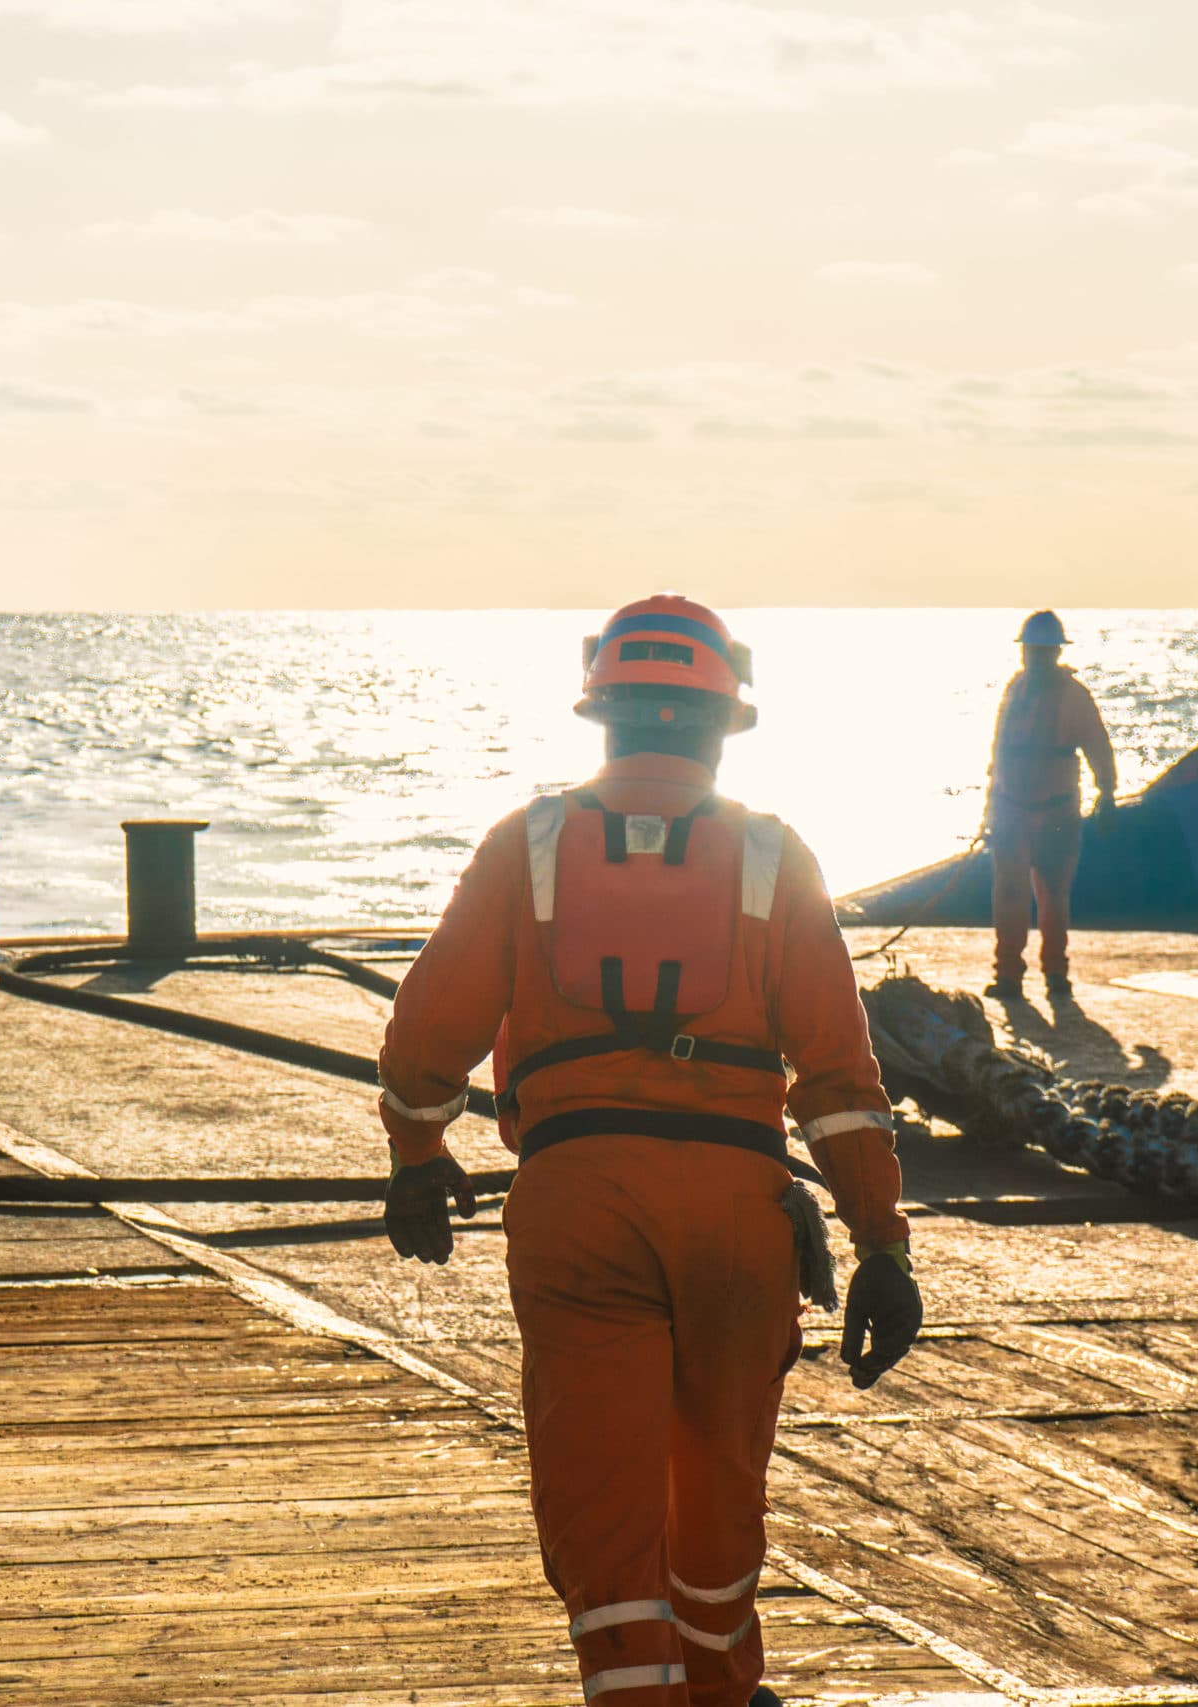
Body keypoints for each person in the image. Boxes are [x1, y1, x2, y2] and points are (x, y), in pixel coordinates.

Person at [375, 595, 920, 1707]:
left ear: (603, 715)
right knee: (720, 1483)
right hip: (741, 1213)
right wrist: (881, 1244)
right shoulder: (775, 856)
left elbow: (430, 1037)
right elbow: (838, 1083)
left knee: (601, 1496)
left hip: (578, 1205)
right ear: (725, 725)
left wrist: (416, 1156)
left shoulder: (527, 843)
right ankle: (722, 1687)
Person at [984, 610, 1115, 1002]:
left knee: (1054, 896)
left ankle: (1056, 975)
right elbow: (999, 751)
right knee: (1008, 895)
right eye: (1031, 651)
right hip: (1010, 811)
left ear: (1056, 653)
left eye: (1042, 651)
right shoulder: (1015, 690)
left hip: (1057, 814)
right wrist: (991, 805)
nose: (1035, 658)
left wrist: (1106, 794)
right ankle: (1008, 976)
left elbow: (1098, 746)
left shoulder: (1075, 697)